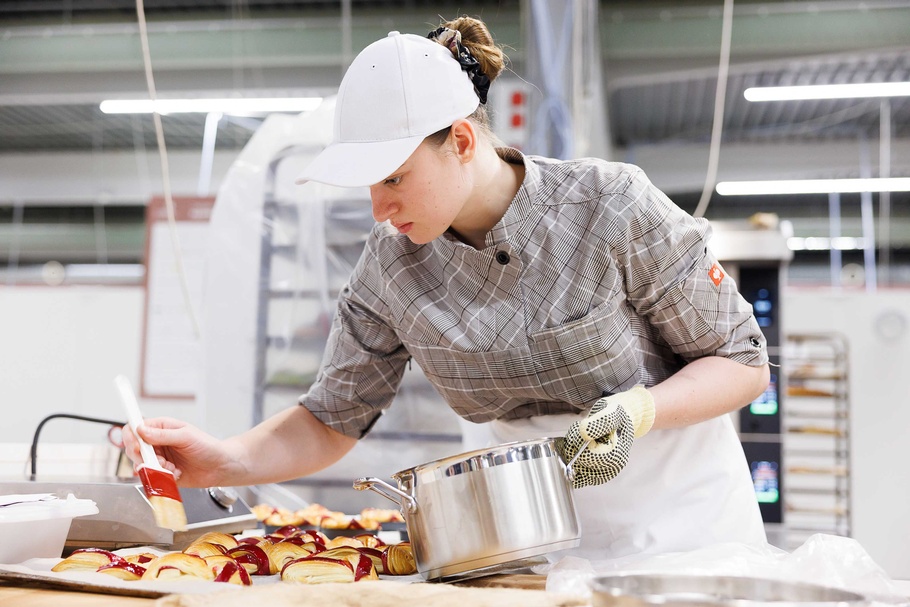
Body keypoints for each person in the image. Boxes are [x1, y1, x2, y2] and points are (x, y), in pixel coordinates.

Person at [124, 16, 770, 560]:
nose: (379, 207)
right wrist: (225, 460)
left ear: (461, 140)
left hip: (681, 526)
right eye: (369, 184)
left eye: (394, 178)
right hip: (523, 535)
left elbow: (741, 361)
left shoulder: (608, 205)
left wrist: (636, 411)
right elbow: (332, 417)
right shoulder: (391, 267)